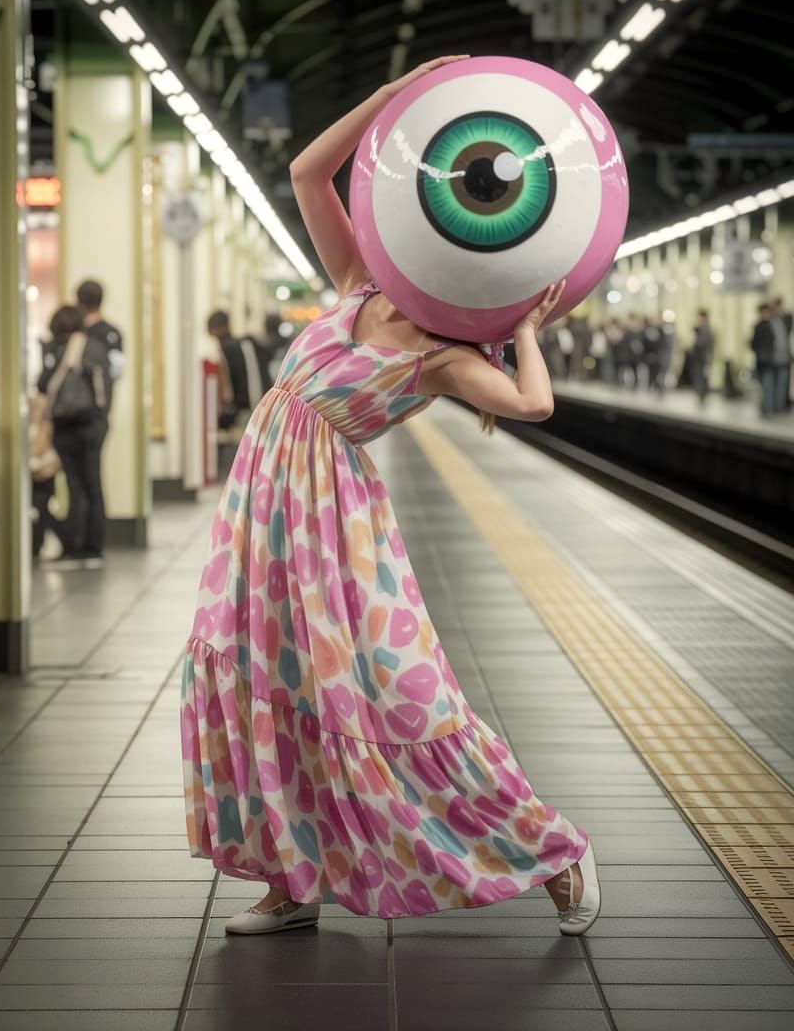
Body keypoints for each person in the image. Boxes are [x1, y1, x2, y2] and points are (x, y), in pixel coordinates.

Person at [180, 56, 599, 941]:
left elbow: (533, 404)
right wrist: (392, 96)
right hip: (261, 510)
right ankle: (292, 879)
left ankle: (553, 851)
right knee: (271, 678)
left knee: (396, 695)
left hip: (332, 523)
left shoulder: (444, 359)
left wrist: (525, 328)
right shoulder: (356, 283)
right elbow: (307, 172)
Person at [36, 305, 110, 569]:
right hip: (92, 424)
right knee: (94, 486)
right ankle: (94, 548)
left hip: (66, 427)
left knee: (74, 486)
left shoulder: (57, 349)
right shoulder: (95, 347)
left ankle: (75, 547)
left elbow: (43, 385)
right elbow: (104, 391)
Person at [77, 280, 125, 389]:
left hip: (75, 395)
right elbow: (116, 371)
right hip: (103, 394)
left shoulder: (75, 333)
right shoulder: (112, 333)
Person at [207, 310, 251, 430]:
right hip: (242, 404)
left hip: (237, 406)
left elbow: (236, 378)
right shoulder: (236, 345)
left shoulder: (228, 347)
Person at [751, 302, 777, 417]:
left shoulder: (767, 326)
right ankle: (766, 406)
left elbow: (754, 344)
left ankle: (767, 406)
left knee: (767, 384)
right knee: (765, 384)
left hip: (766, 360)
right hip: (764, 360)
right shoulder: (769, 326)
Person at [771, 297, 792, 412]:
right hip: (773, 358)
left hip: (784, 357)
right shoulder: (771, 321)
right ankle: (775, 404)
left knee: (783, 383)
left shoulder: (786, 319)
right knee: (774, 383)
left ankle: (782, 404)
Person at [690, 309, 714, 403]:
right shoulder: (706, 327)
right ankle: (701, 393)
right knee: (702, 375)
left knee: (700, 375)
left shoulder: (705, 328)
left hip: (701, 355)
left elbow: (703, 343)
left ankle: (701, 393)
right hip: (703, 355)